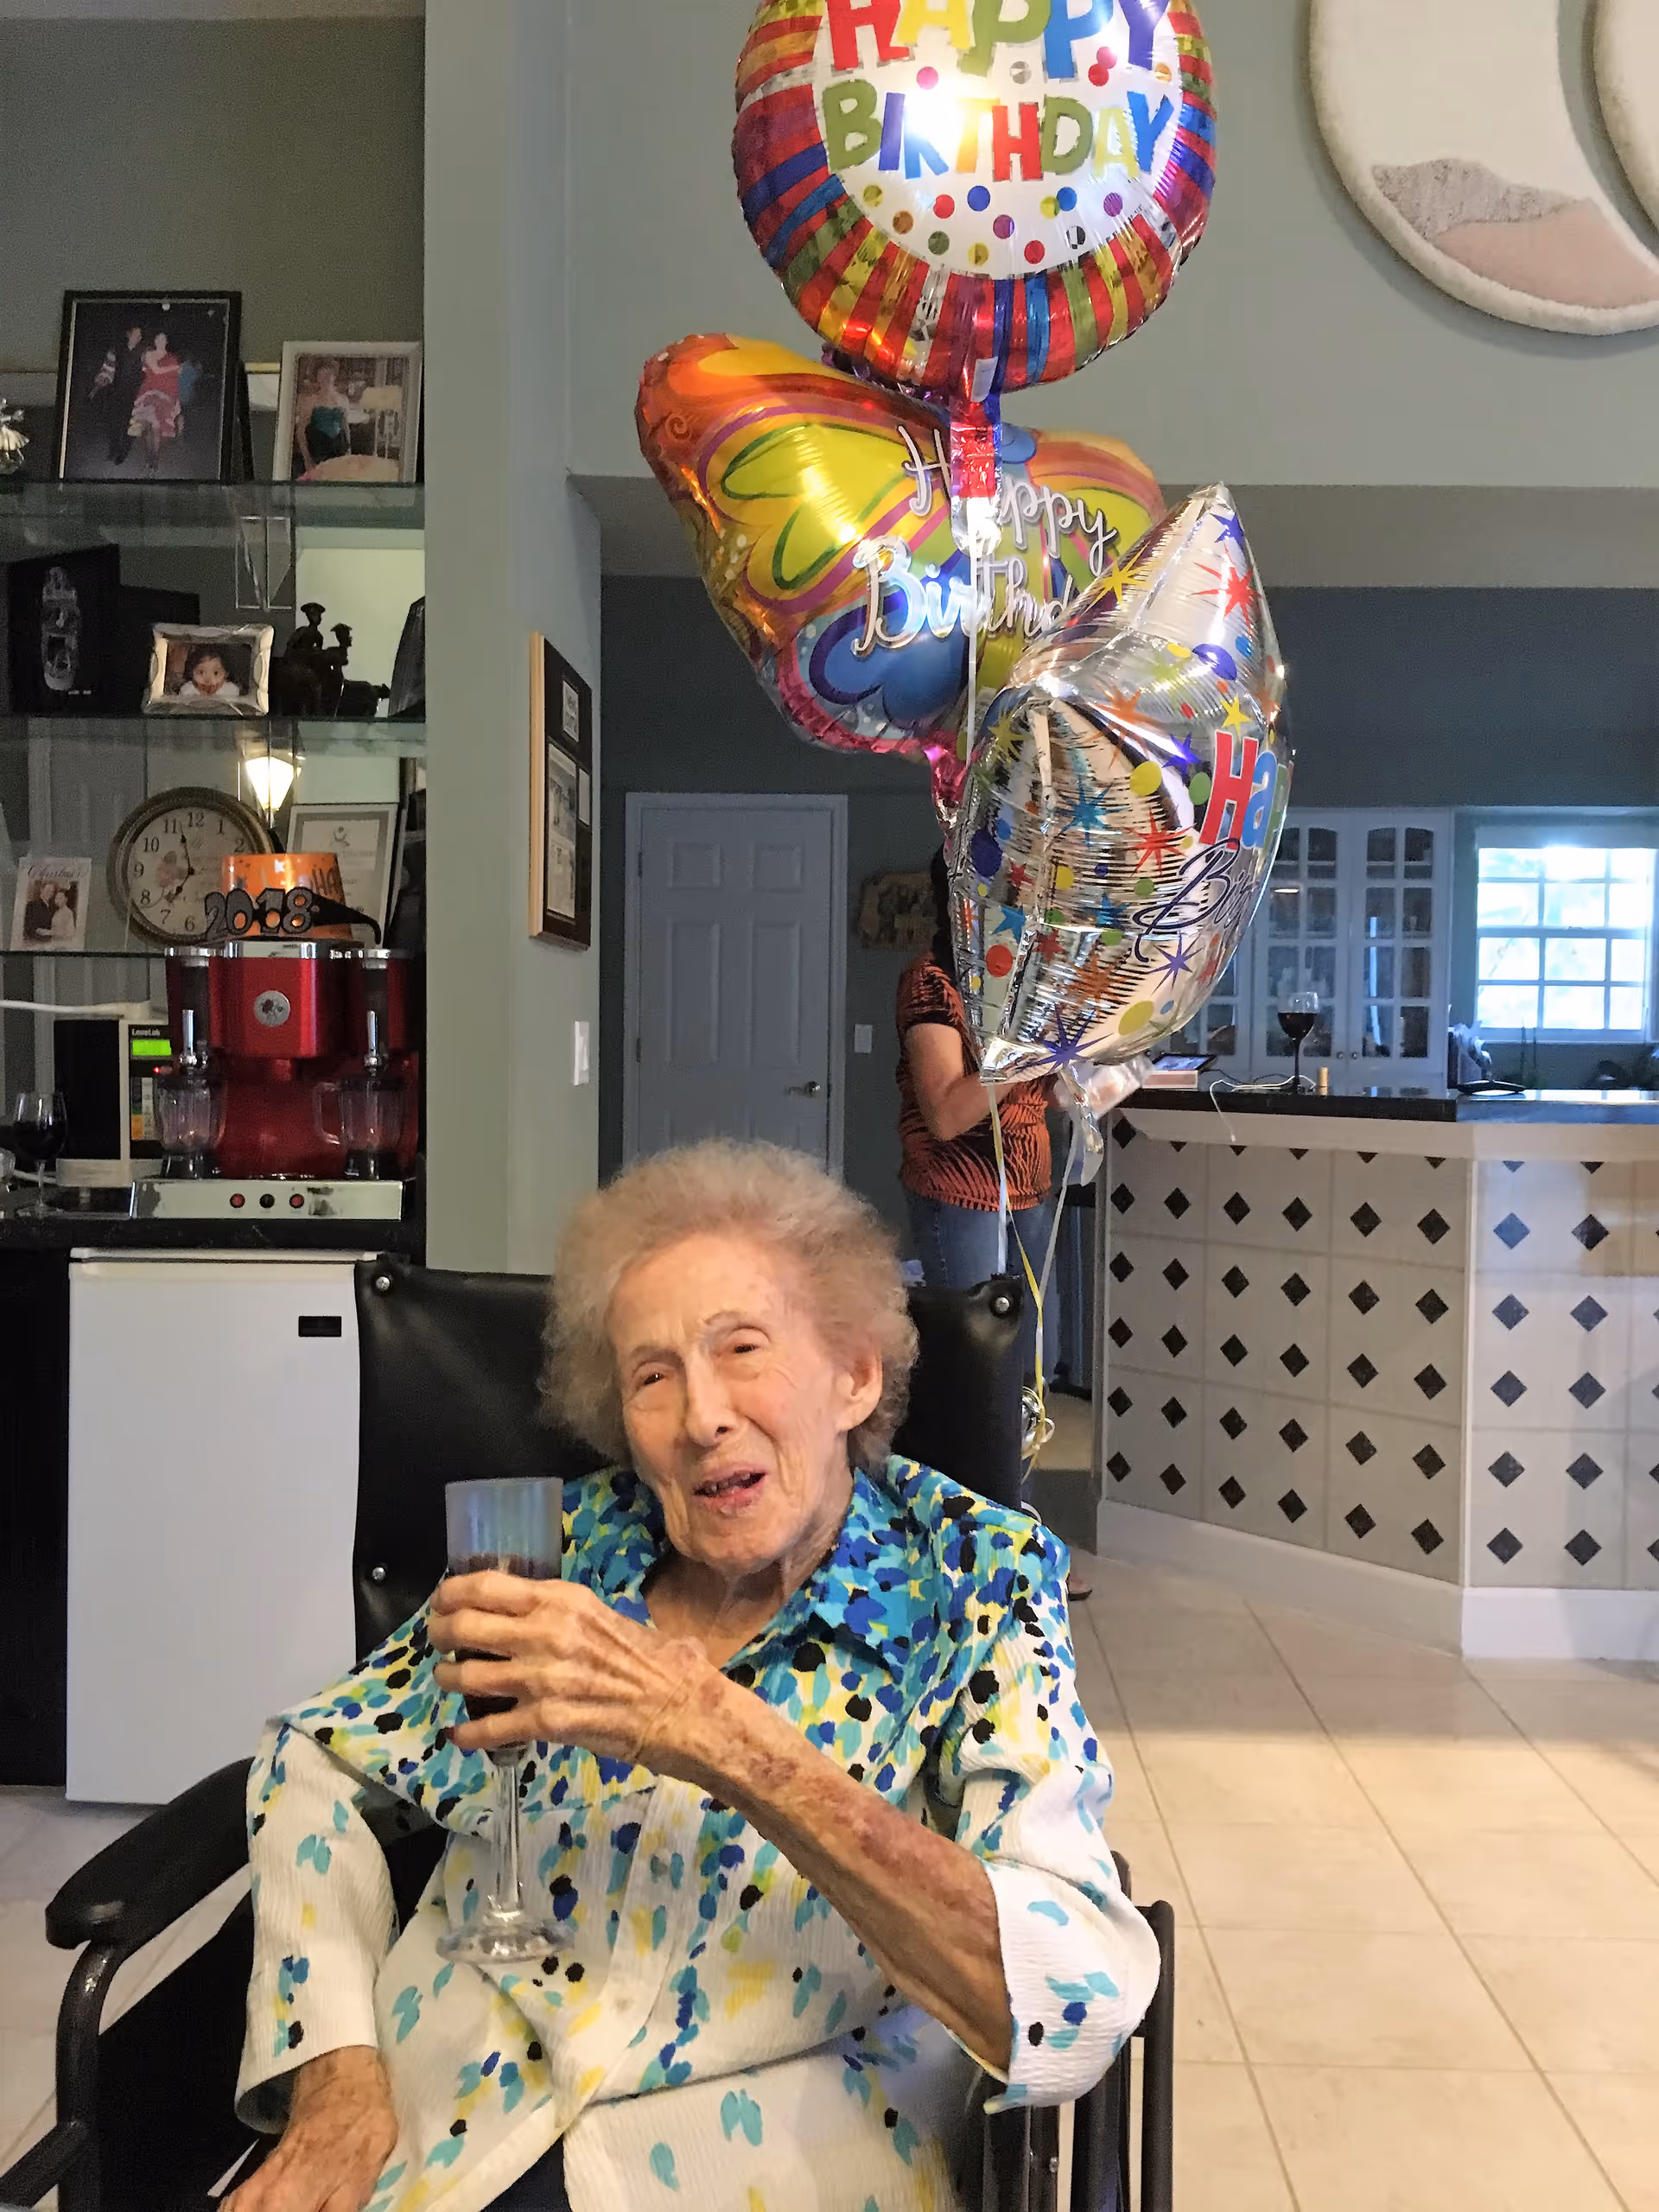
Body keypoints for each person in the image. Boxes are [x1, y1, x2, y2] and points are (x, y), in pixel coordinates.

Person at [230, 1141, 1157, 2212]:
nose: (702, 1415)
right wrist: (337, 2075)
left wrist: (716, 1732)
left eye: (743, 1348)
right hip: (455, 2127)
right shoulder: (562, 1548)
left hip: (765, 2156)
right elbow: (316, 1754)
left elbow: (1070, 1994)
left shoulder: (974, 1577)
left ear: (854, 1375)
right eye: (652, 1375)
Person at [129, 330, 183, 468]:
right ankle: (149, 456)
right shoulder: (149, 354)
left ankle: (154, 460)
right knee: (148, 427)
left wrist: (176, 401)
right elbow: (156, 370)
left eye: (163, 339)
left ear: (166, 342)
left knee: (157, 428)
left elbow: (175, 381)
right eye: (158, 338)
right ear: (155, 341)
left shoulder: (172, 358)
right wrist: (175, 368)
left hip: (165, 397)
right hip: (150, 395)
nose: (161, 341)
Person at [294, 359, 352, 474]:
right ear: (317, 377)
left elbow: (345, 427)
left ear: (334, 376)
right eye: (322, 374)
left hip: (339, 451)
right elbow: (300, 432)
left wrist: (349, 452)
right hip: (318, 451)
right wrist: (307, 460)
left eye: (328, 374)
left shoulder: (343, 400)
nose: (325, 378)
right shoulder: (310, 401)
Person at [176, 647, 241, 704]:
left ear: (226, 674)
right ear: (191, 673)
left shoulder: (231, 691)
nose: (208, 679)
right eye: (201, 672)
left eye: (216, 673)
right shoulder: (187, 691)